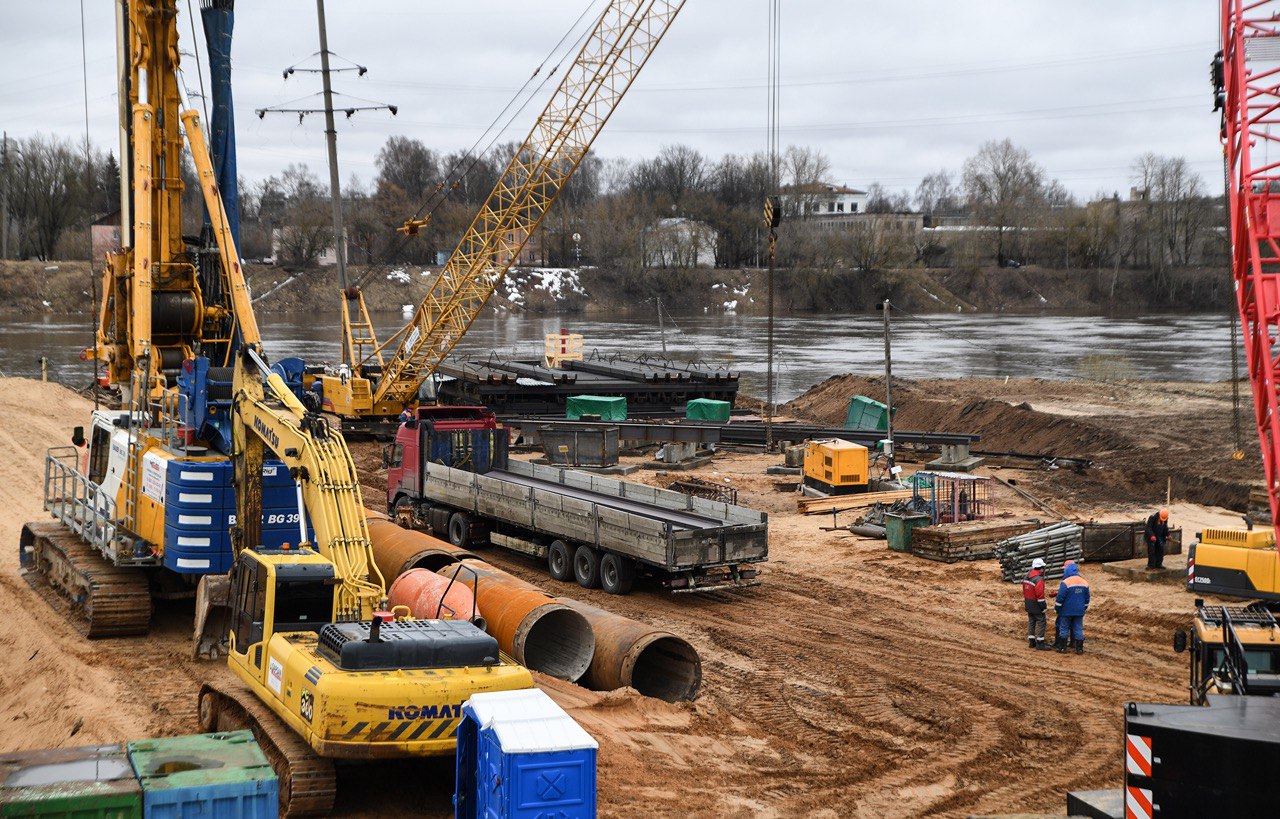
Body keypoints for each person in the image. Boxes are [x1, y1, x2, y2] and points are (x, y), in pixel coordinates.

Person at [1054, 560, 1091, 655]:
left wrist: (1057, 609)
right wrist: (1084, 608)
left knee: (1064, 628)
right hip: (1079, 611)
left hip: (1066, 611)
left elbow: (1060, 598)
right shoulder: (1084, 582)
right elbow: (1087, 598)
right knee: (1078, 628)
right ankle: (1079, 649)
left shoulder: (1066, 582)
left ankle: (1062, 648)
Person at [1022, 557, 1050, 650]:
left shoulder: (1027, 576)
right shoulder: (1039, 579)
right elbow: (1040, 595)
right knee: (1042, 622)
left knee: (1031, 622)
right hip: (1036, 605)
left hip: (1028, 603)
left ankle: (1031, 642)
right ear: (1041, 567)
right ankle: (1040, 643)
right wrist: (1044, 607)